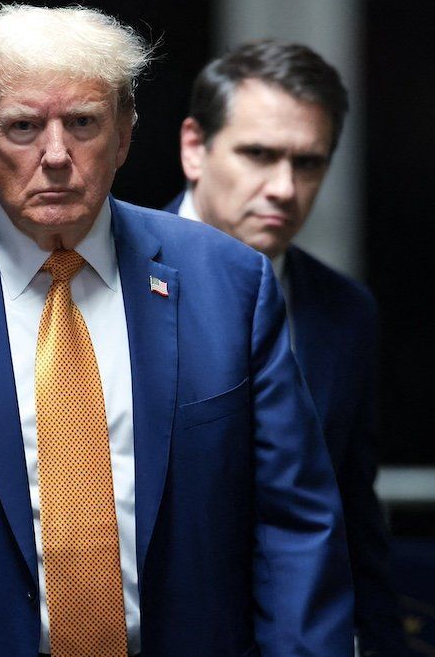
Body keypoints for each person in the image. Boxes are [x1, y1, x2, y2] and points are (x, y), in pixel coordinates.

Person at [0, 4, 353, 656]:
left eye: (83, 123)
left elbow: (294, 526)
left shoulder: (228, 285)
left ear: (126, 132)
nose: (55, 155)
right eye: (23, 127)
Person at [163, 40, 406, 655]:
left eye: (308, 163)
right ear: (196, 147)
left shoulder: (344, 311)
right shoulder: (105, 277)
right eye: (259, 155)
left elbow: (352, 512)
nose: (283, 187)